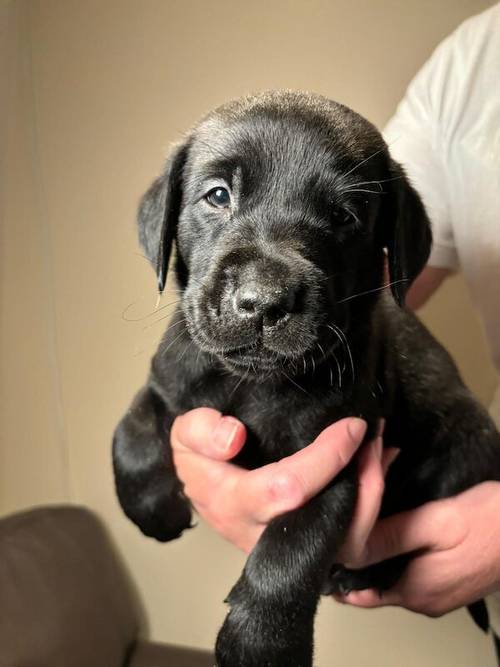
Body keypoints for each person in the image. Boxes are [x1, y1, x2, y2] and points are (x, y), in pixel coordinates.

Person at [170, 1, 500, 659]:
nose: (261, 288)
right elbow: (369, 269)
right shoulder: (473, 63)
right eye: (217, 196)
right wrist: (193, 456)